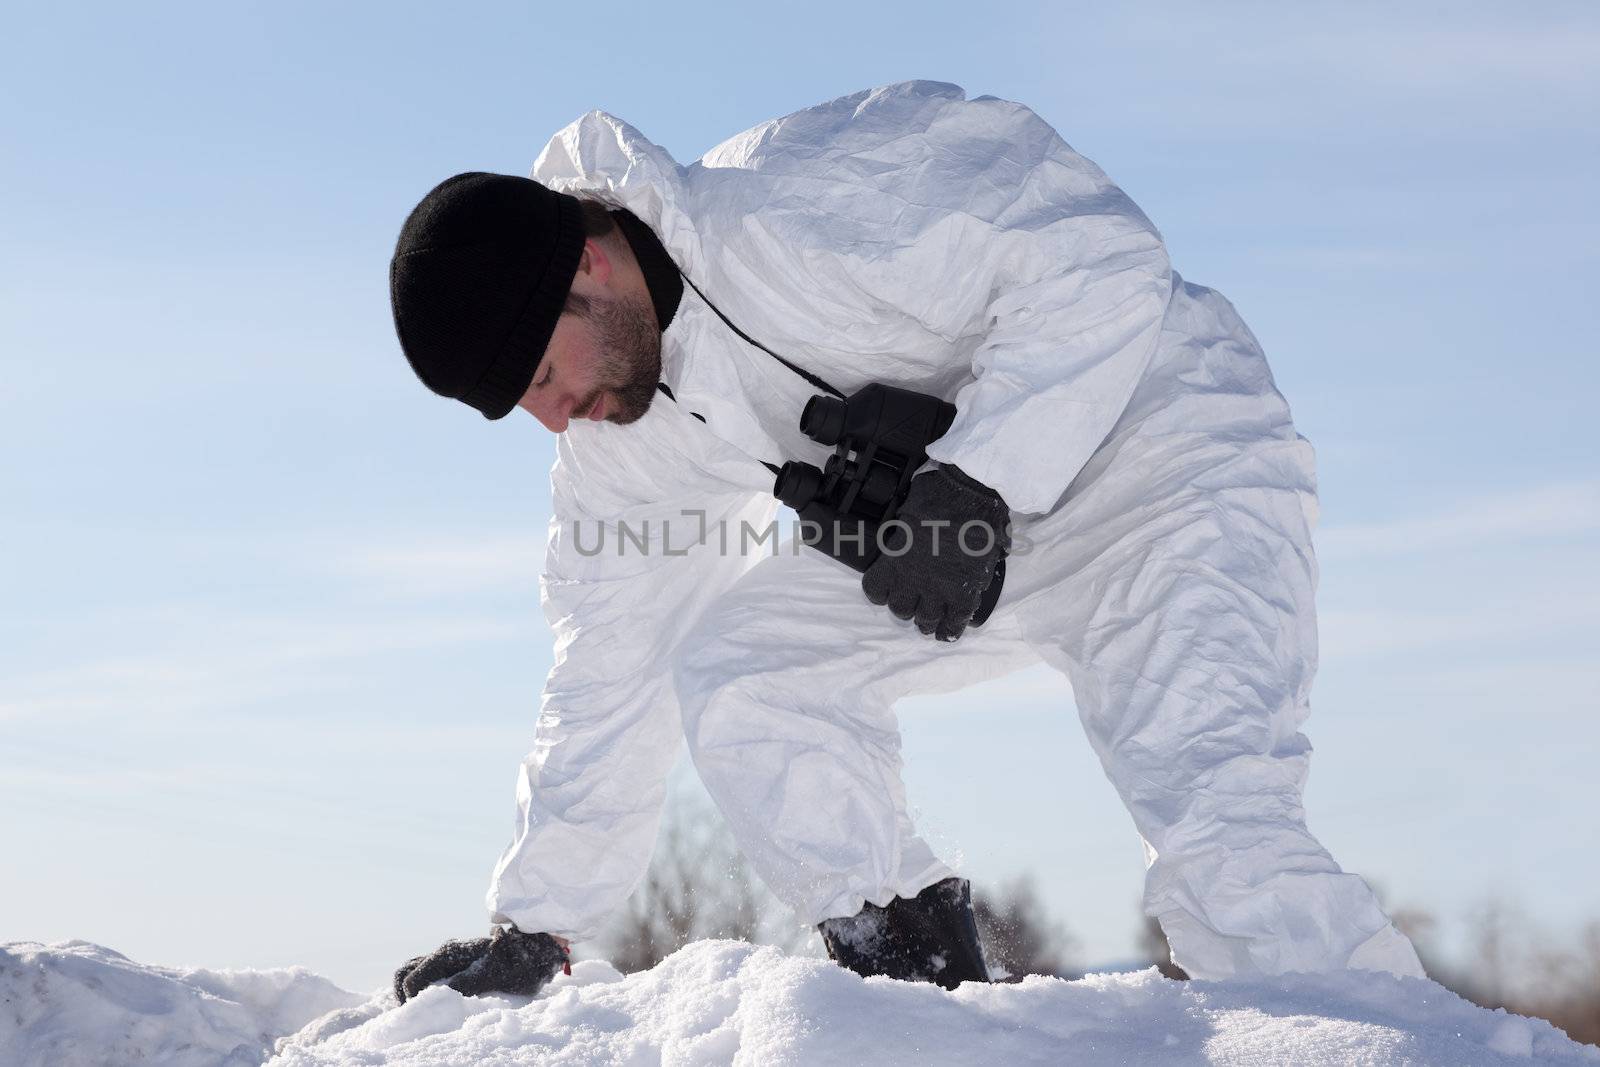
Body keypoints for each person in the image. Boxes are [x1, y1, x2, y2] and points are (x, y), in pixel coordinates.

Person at [386, 81, 1425, 1002]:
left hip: (1169, 464)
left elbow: (1101, 252)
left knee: (1221, 840)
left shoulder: (807, 197)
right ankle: (917, 967)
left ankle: (1382, 1035)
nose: (556, 418)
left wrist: (980, 476)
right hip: (966, 547)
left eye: (534, 379)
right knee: (746, 671)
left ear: (588, 266)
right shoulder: (629, 440)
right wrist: (537, 923)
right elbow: (607, 667)